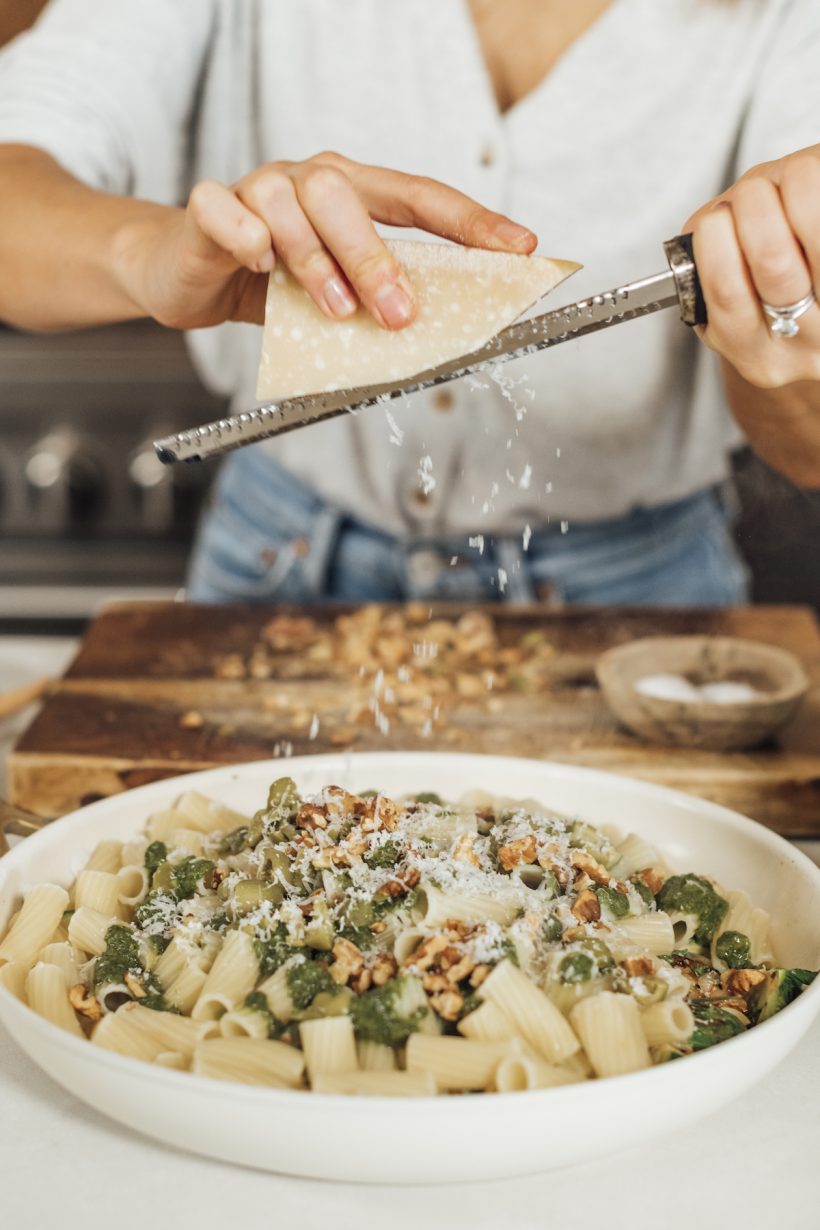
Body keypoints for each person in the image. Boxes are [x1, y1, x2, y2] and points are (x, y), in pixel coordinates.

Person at [0, 0, 818, 607]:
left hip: (638, 592)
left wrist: (784, 330)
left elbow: (806, 441)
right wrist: (150, 255)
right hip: (276, 566)